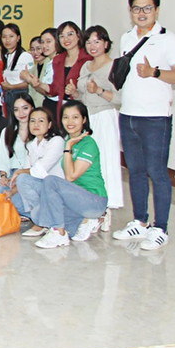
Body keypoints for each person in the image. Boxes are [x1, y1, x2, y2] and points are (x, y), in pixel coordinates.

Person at [112, 0, 175, 250]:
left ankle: (160, 228)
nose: (141, 13)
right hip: (128, 114)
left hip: (155, 118)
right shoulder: (126, 37)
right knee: (135, 171)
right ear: (130, 11)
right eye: (136, 8)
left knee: (157, 171)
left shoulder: (168, 39)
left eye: (147, 8)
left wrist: (154, 72)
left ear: (156, 10)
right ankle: (140, 221)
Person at [32, 101, 108, 249]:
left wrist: (67, 148)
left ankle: (59, 233)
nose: (70, 122)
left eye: (75, 117)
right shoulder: (68, 140)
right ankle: (86, 221)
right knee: (37, 214)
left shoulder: (88, 144)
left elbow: (71, 177)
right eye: (66, 117)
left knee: (51, 181)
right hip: (76, 201)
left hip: (94, 199)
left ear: (84, 120)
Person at [71, 25, 123, 224]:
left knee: (105, 162)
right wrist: (75, 93)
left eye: (97, 41)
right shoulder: (86, 66)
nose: (92, 46)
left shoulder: (114, 66)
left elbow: (120, 98)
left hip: (104, 116)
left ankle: (106, 209)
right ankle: (90, 206)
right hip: (88, 118)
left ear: (106, 44)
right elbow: (84, 95)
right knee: (87, 162)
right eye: (88, 42)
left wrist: (99, 90)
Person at [0, 95, 35, 221]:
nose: (21, 113)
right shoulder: (7, 131)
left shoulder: (38, 130)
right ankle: (17, 212)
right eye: (16, 110)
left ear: (32, 108)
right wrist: (3, 176)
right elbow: (3, 159)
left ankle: (27, 213)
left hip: (30, 177)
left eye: (25, 108)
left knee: (17, 203)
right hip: (12, 176)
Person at [17, 107, 66, 236]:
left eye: (41, 121)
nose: (36, 124)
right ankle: (41, 216)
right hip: (40, 188)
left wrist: (20, 172)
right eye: (32, 121)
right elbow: (27, 170)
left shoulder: (57, 141)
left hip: (55, 189)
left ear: (49, 124)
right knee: (10, 194)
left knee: (22, 179)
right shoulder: (31, 144)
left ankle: (43, 221)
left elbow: (40, 170)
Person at [47, 21, 92, 119]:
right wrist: (37, 84)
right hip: (63, 108)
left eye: (70, 34)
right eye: (61, 36)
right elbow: (55, 89)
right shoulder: (57, 60)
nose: (66, 39)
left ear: (78, 36)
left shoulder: (88, 58)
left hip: (84, 107)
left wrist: (75, 91)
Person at [22, 27, 62, 116]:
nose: (44, 46)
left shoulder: (61, 62)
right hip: (48, 105)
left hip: (57, 106)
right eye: (43, 42)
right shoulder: (50, 63)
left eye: (48, 41)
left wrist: (30, 80)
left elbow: (52, 92)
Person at [25, 35, 46, 108]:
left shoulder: (51, 65)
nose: (35, 52)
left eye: (38, 48)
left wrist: (28, 79)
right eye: (32, 49)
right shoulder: (32, 69)